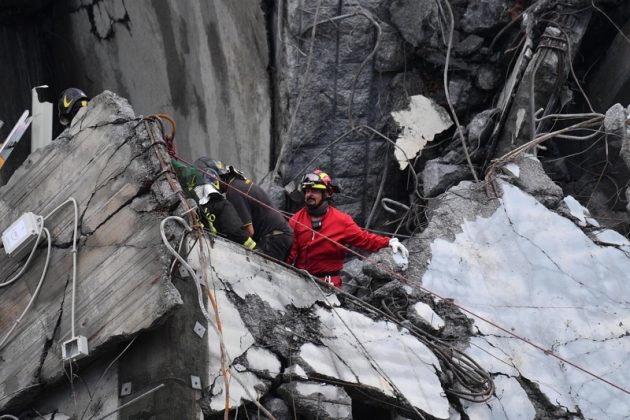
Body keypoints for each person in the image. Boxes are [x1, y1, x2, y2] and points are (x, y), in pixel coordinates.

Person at [287, 170, 408, 287]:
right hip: (300, 283)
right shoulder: (296, 221)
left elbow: (365, 240)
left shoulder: (342, 221)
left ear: (327, 193)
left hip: (328, 285)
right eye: (307, 190)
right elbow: (289, 255)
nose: (309, 194)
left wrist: (388, 242)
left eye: (314, 191)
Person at [194, 158, 293, 261]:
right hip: (280, 236)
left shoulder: (234, 192)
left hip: (274, 239)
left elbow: (249, 231)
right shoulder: (239, 184)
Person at [172, 159, 256, 250]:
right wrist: (254, 247)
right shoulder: (223, 205)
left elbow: (175, 165)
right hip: (212, 250)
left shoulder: (189, 203)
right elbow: (235, 231)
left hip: (188, 242)